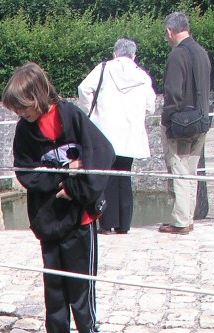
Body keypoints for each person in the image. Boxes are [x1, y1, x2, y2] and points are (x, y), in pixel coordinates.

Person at [2, 62, 114, 333]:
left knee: (80, 281)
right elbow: (26, 171)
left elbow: (101, 154)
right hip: (48, 216)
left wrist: (74, 190)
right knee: (53, 282)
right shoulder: (25, 130)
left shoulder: (72, 116)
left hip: (81, 217)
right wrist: (62, 177)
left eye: (23, 107)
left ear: (37, 95)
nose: (21, 114)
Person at [78, 39, 156, 234]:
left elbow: (83, 89)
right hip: (129, 134)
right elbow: (150, 106)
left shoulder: (104, 69)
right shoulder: (142, 76)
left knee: (105, 177)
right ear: (134, 55)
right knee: (124, 176)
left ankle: (106, 223)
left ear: (115, 53)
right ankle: (124, 225)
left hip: (105, 133)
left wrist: (91, 112)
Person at [159, 10, 211, 234]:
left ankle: (180, 220)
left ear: (170, 31)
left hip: (181, 123)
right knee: (191, 171)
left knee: (178, 168)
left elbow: (173, 92)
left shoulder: (177, 55)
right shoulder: (202, 52)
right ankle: (188, 217)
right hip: (201, 119)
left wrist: (168, 120)